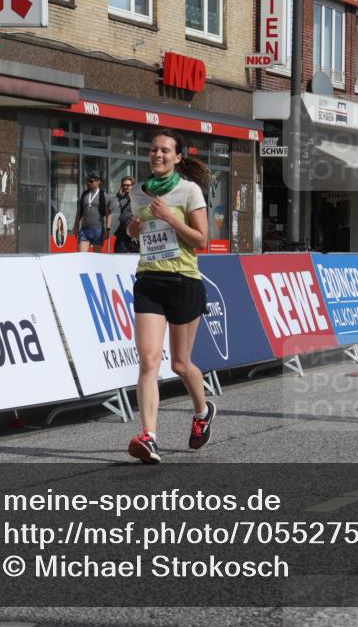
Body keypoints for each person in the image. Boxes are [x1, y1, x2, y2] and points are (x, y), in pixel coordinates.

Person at [125, 129, 215, 464]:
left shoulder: (189, 190)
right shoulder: (138, 193)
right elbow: (141, 232)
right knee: (148, 361)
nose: (157, 155)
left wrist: (168, 217)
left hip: (184, 281)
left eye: (165, 150)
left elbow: (202, 240)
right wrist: (133, 231)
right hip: (149, 279)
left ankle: (203, 411)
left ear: (178, 157)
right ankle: (149, 436)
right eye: (153, 150)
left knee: (179, 363)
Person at [72, 171, 113, 253]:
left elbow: (109, 214)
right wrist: (76, 225)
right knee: (81, 256)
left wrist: (107, 230)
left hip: (98, 230)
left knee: (96, 257)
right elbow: (79, 211)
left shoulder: (104, 196)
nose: (88, 183)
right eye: (88, 181)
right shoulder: (84, 194)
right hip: (84, 230)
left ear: (98, 181)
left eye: (91, 181)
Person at [112, 175, 140, 254]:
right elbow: (112, 207)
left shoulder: (137, 197)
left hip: (134, 231)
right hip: (122, 231)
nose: (126, 187)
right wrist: (118, 196)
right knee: (118, 254)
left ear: (133, 186)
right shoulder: (121, 197)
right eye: (123, 185)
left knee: (135, 256)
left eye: (128, 185)